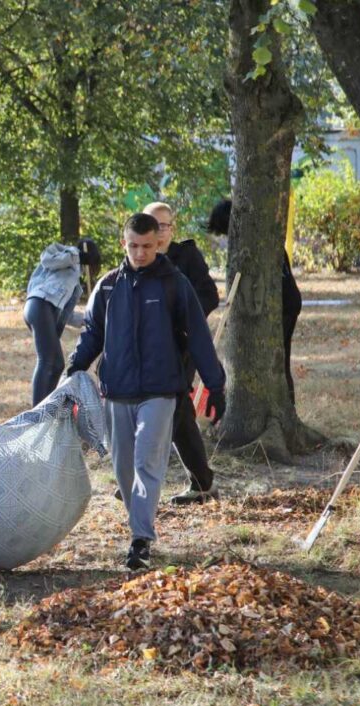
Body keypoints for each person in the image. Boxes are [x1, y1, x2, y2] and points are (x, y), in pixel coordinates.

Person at [66, 212, 226, 570]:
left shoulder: (174, 284)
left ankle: (140, 540)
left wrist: (215, 385)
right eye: (134, 246)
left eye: (148, 247)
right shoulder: (107, 287)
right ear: (125, 243)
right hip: (117, 391)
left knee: (147, 464)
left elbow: (199, 337)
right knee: (123, 470)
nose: (140, 254)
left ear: (159, 243)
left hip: (160, 391)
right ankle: (138, 521)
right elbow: (92, 334)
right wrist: (74, 367)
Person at [143, 202, 220, 505]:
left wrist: (185, 321)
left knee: (171, 404)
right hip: (147, 348)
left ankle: (141, 478)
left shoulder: (185, 256)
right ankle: (203, 483)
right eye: (153, 224)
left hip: (182, 345)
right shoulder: (139, 256)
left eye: (165, 225)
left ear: (172, 229)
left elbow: (209, 295)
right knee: (180, 412)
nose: (159, 231)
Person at [207, 199, 303, 405]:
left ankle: (285, 407)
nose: (226, 238)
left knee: (277, 359)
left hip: (284, 304)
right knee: (277, 358)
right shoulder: (259, 236)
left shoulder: (254, 243)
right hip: (285, 302)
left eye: (224, 232)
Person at [23, 239, 100, 406]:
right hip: (39, 304)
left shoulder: (75, 283)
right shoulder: (66, 253)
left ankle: (47, 407)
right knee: (47, 360)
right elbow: (47, 259)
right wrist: (77, 255)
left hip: (48, 311)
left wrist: (89, 318)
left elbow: (68, 314)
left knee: (58, 364)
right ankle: (36, 414)